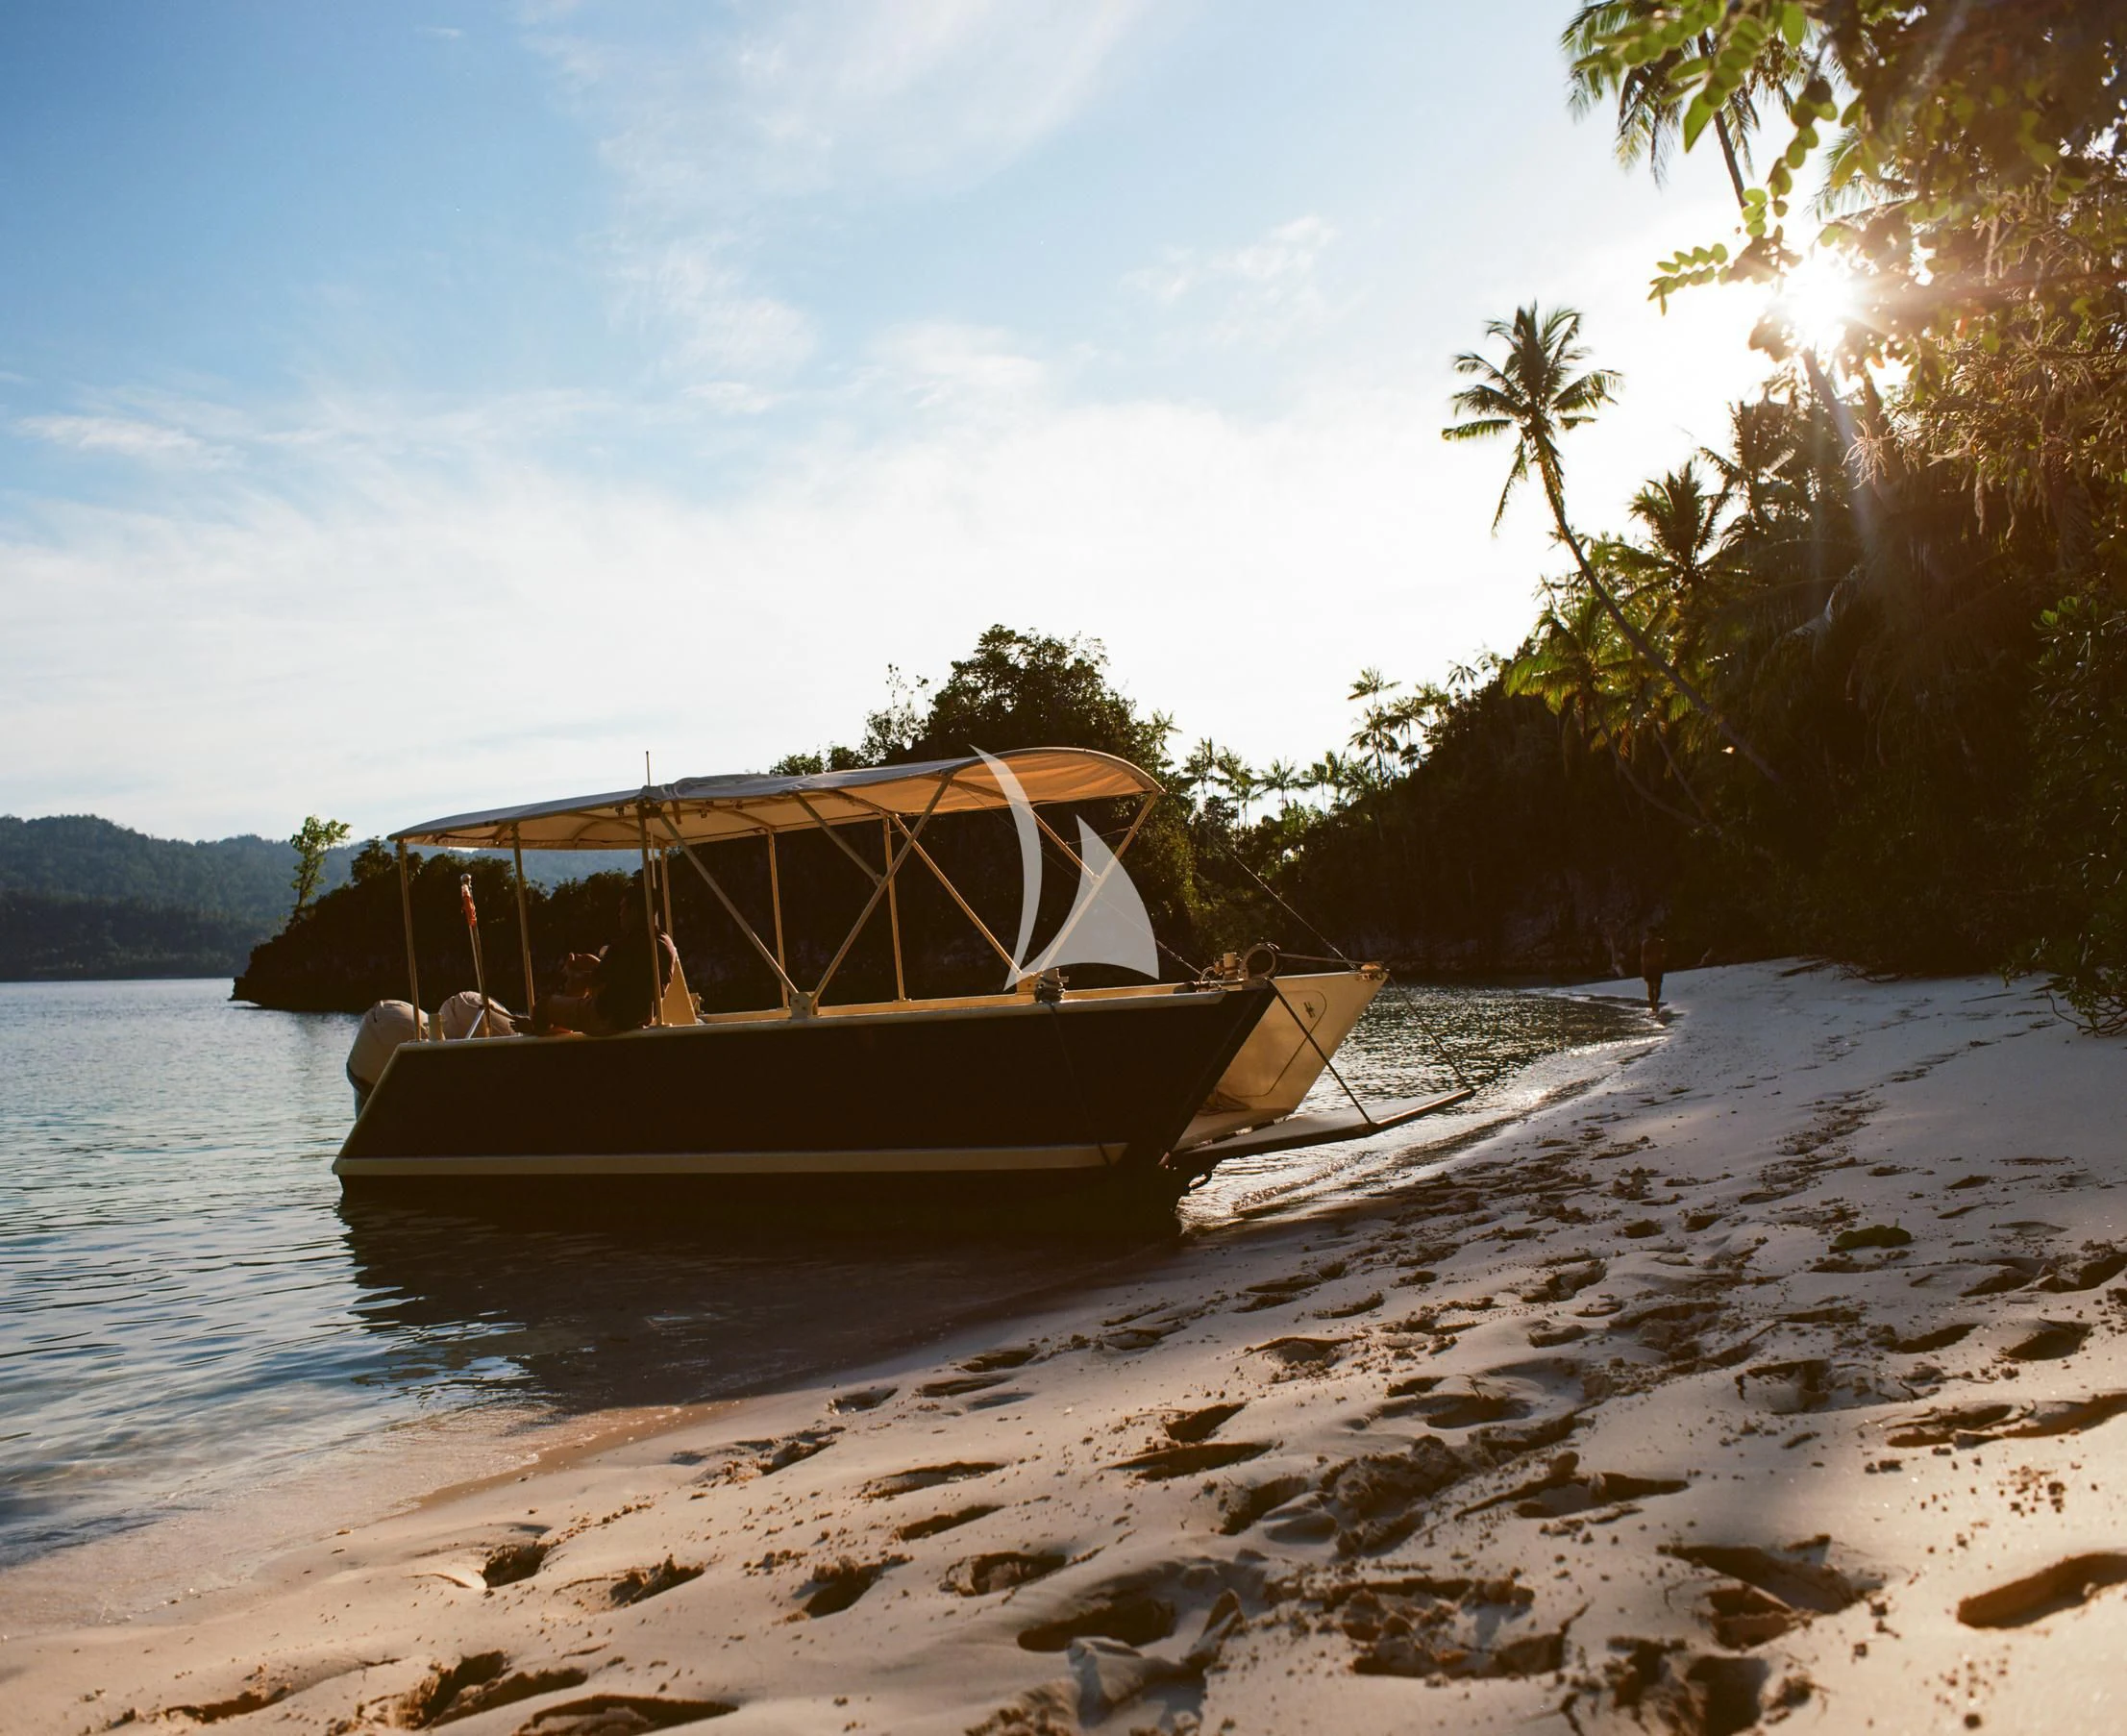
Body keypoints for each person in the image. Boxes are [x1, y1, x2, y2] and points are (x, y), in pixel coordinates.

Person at [538, 881, 676, 1036]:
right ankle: (564, 1021)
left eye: (623, 907)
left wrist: (571, 972)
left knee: (542, 1006)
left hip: (609, 1018)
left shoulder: (626, 946)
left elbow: (593, 980)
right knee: (587, 962)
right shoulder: (664, 942)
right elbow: (618, 975)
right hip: (642, 1014)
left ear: (635, 911)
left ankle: (546, 1033)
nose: (620, 913)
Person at [1640, 927, 1668, 1017]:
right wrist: (1643, 968)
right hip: (1651, 967)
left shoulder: (1659, 942)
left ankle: (1655, 1002)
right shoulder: (1646, 943)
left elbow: (1664, 954)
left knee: (1657, 986)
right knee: (1651, 987)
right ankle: (1653, 1003)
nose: (1648, 935)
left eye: (1649, 933)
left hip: (1656, 967)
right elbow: (1643, 957)